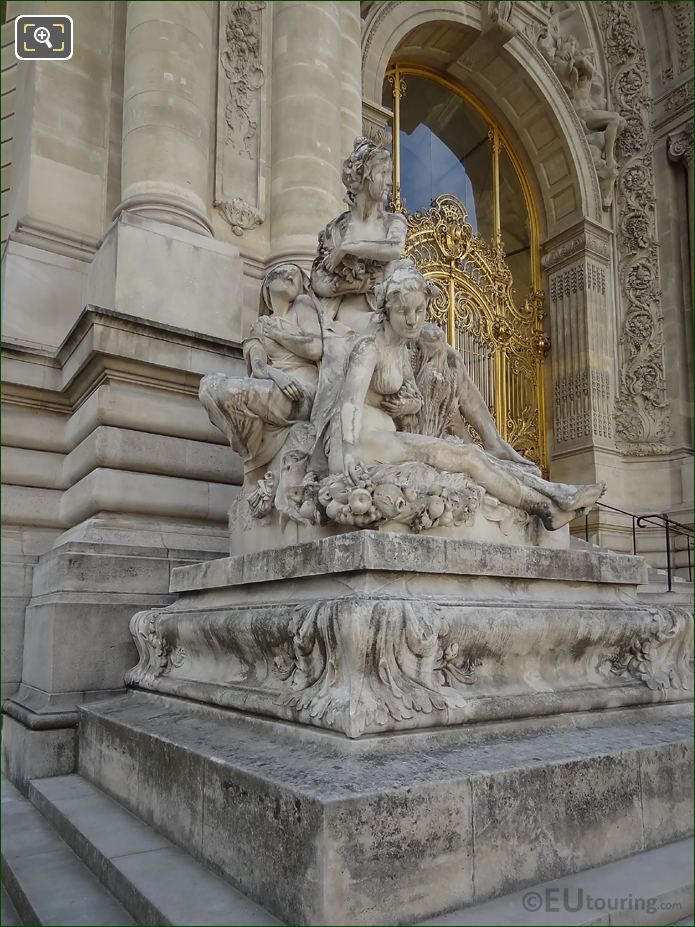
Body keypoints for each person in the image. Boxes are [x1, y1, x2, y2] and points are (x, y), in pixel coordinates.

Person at [331, 263, 604, 530]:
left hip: (385, 438)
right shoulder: (368, 348)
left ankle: (552, 494)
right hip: (364, 442)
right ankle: (546, 505)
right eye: (403, 311)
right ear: (386, 311)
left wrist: (408, 405)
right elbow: (349, 402)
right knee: (467, 456)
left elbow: (414, 399)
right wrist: (349, 451)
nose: (413, 319)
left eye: (420, 310)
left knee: (472, 453)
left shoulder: (400, 347)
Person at [199, 263, 323, 479]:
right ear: (266, 288)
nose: (290, 274)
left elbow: (314, 348)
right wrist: (278, 376)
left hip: (303, 391)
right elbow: (258, 367)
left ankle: (256, 468)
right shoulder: (260, 324)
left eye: (295, 273)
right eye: (281, 272)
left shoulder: (302, 306)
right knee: (209, 387)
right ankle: (255, 459)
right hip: (276, 385)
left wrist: (277, 334)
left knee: (234, 392)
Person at [310, 136, 408, 333]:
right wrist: (357, 285)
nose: (389, 182)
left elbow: (395, 249)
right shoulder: (335, 230)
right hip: (349, 315)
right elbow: (318, 281)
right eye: (383, 173)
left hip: (387, 313)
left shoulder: (393, 222)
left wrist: (347, 248)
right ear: (363, 176)